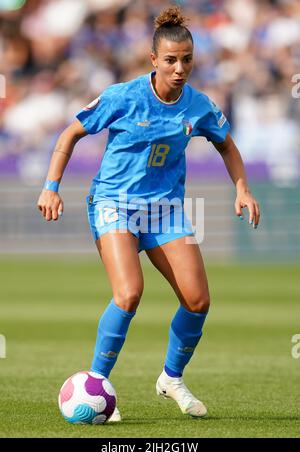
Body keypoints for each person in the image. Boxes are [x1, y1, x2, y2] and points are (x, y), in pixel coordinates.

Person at [37, 6, 260, 422]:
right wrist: (51, 187)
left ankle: (171, 378)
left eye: (187, 60)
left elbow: (227, 144)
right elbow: (71, 132)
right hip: (113, 204)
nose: (180, 69)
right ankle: (98, 385)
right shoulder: (124, 96)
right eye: (171, 60)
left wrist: (242, 188)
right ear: (153, 59)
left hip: (165, 210)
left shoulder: (198, 106)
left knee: (197, 301)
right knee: (129, 293)